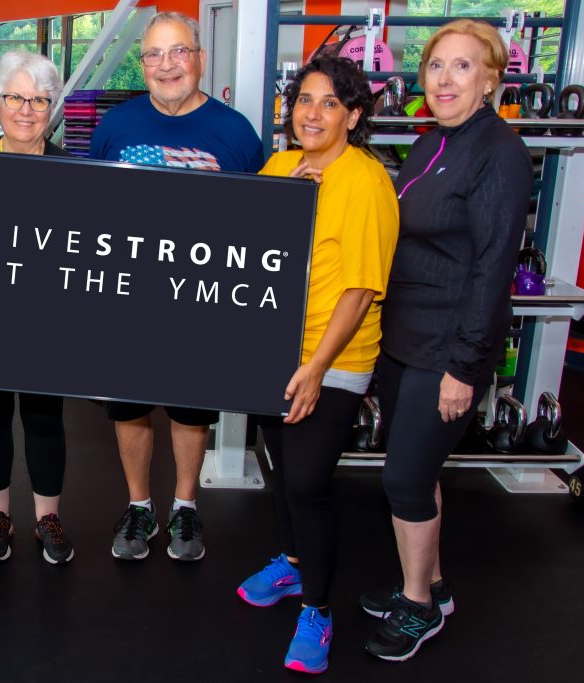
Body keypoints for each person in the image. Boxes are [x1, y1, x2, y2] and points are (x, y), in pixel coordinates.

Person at [361, 19, 532, 661]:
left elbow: (493, 267)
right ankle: (432, 583)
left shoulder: (499, 151)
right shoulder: (430, 142)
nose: (445, 79)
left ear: (490, 79)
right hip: (406, 337)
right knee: (419, 470)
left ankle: (418, 606)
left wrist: (464, 366)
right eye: (436, 66)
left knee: (404, 479)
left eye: (463, 66)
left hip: (450, 345)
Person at [233, 56, 398, 674]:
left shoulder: (366, 181)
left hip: (334, 358)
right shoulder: (281, 166)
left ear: (353, 117)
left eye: (331, 103)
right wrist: (286, 200)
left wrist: (317, 367)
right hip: (272, 347)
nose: (313, 113)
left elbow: (361, 289)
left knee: (307, 482)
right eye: (305, 99)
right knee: (280, 467)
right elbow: (239, 244)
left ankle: (318, 610)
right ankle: (293, 563)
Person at [89, 11, 264, 561]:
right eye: (154, 54)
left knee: (191, 411)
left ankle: (185, 506)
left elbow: (263, 223)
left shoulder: (235, 132)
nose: (167, 65)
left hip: (202, 305)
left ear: (200, 60)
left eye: (179, 52)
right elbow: (86, 212)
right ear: (142, 64)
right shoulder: (114, 128)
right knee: (130, 408)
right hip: (127, 303)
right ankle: (139, 505)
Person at [0, 50, 74, 565]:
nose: (26, 110)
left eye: (38, 100)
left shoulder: (73, 172)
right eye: (15, 98)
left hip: (49, 318)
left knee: (45, 417)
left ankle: (48, 517)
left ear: (51, 108)